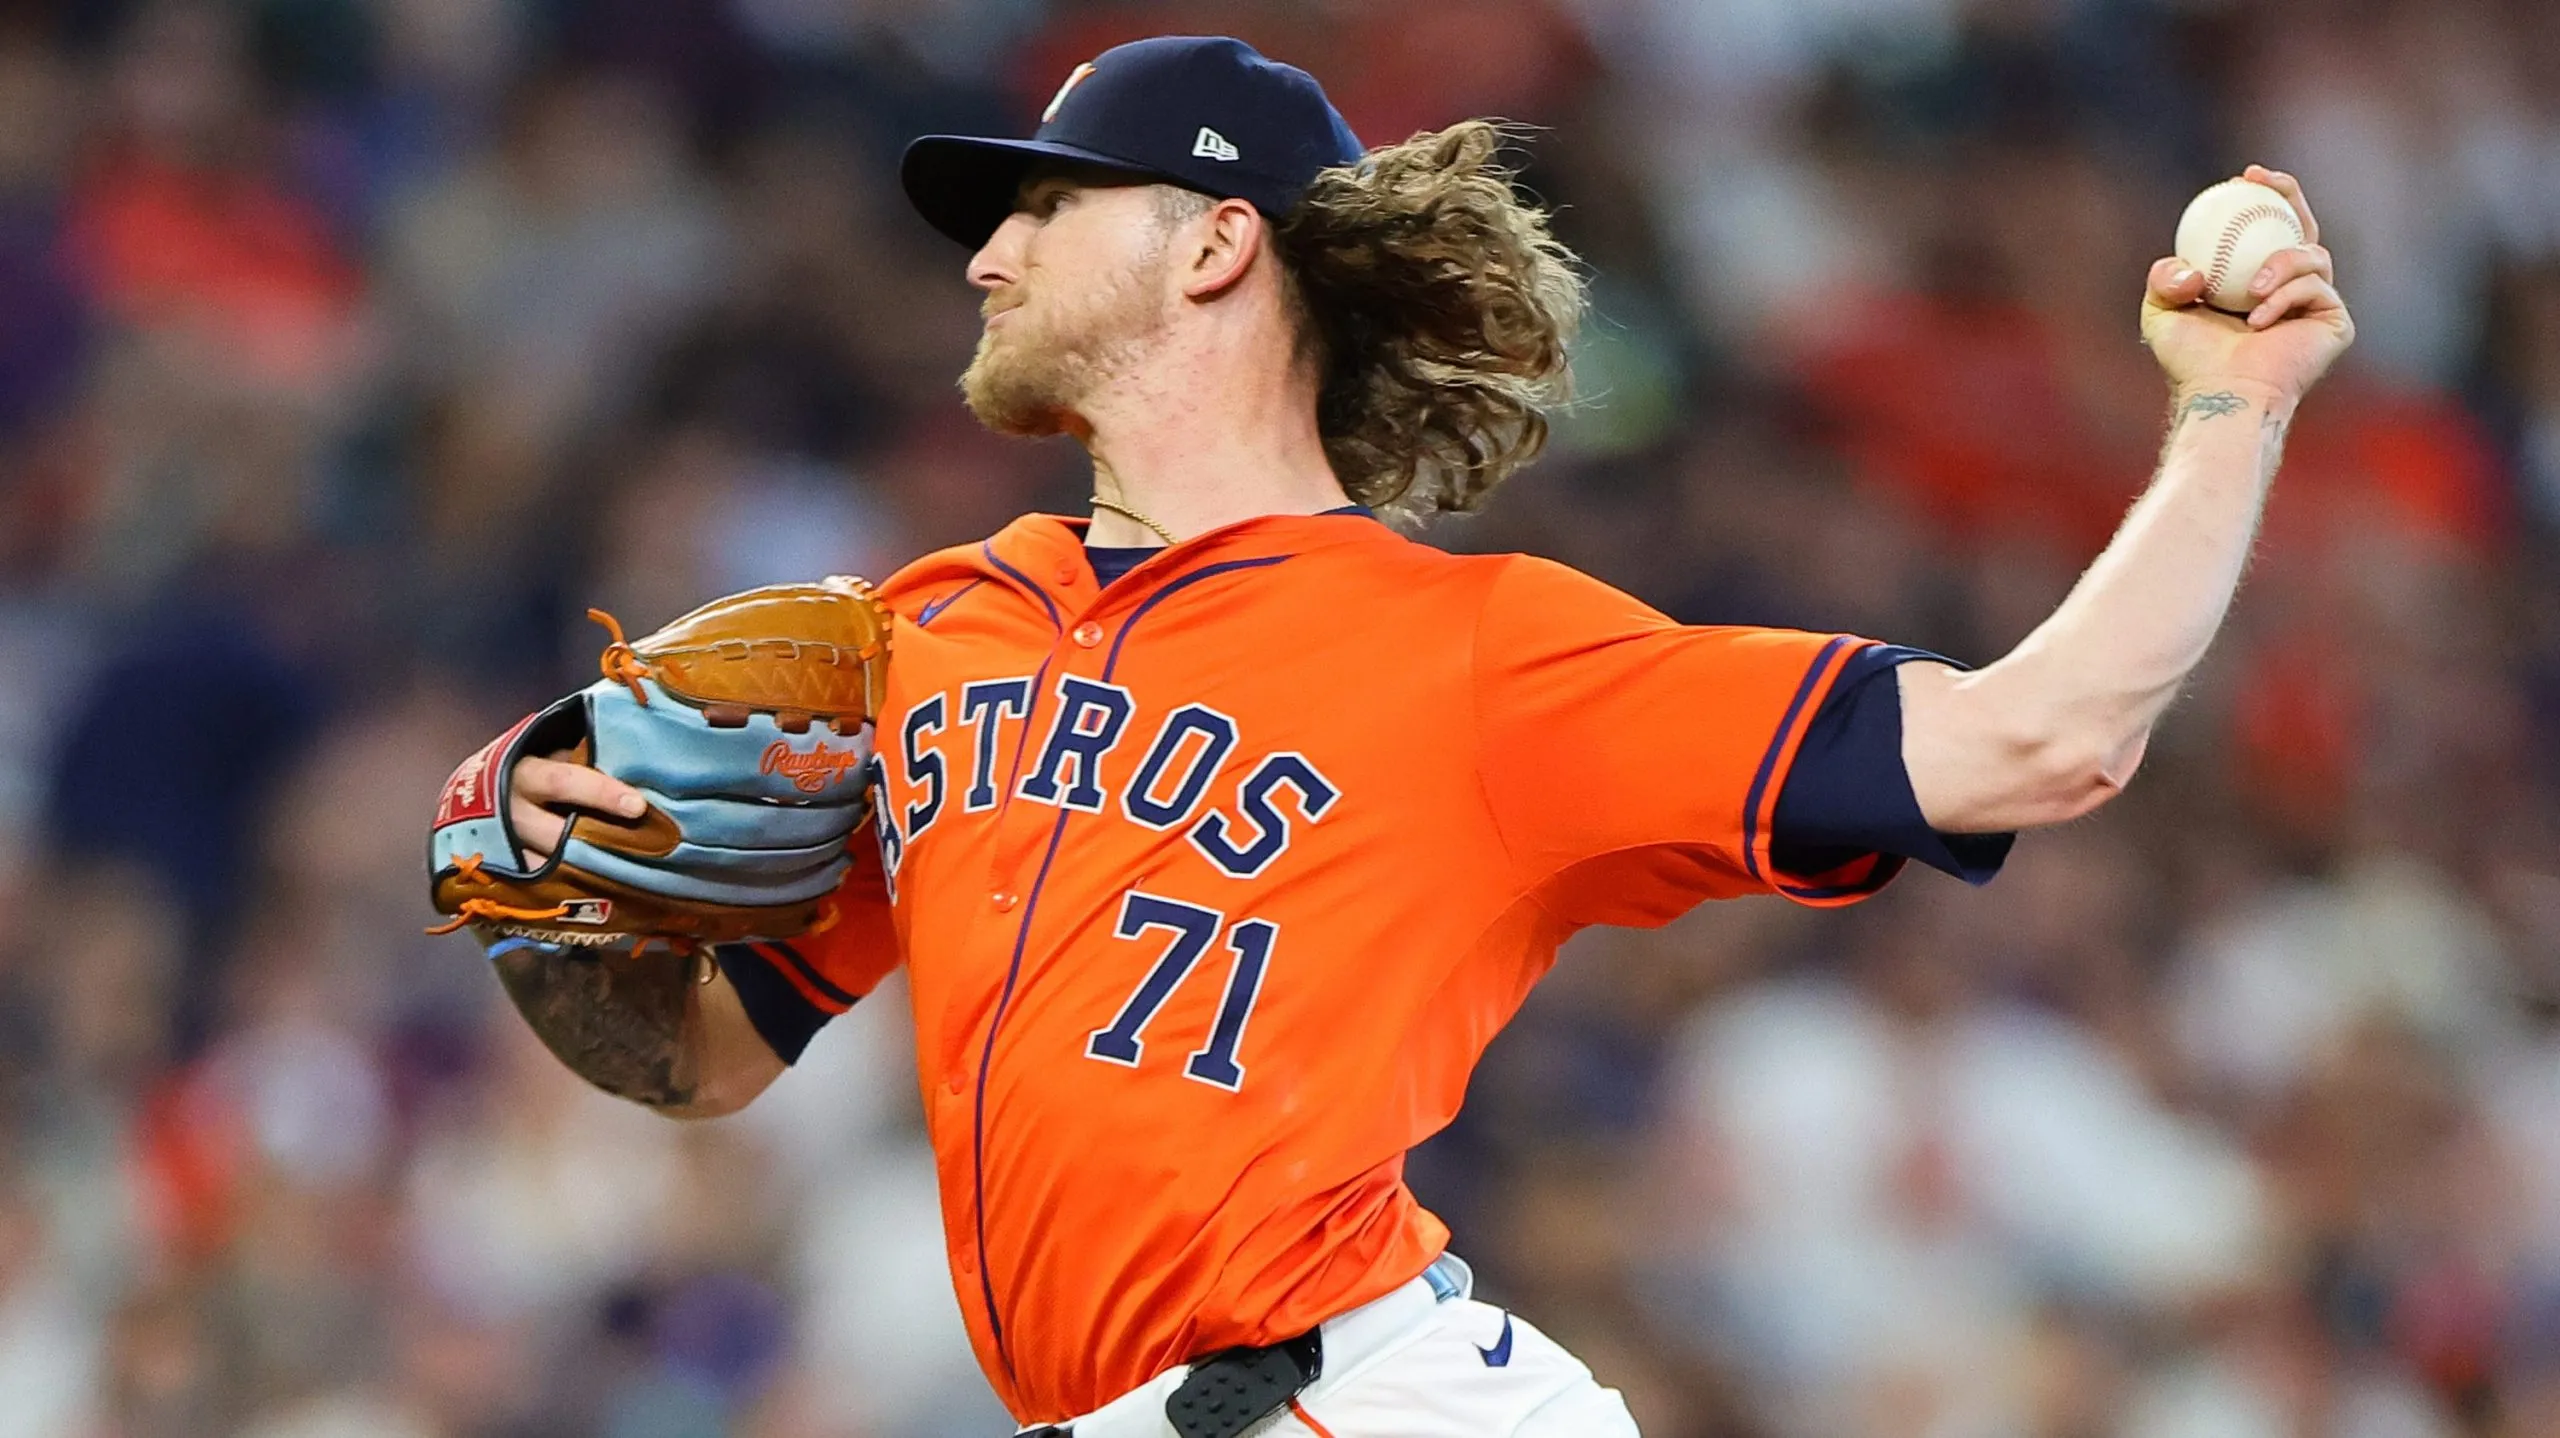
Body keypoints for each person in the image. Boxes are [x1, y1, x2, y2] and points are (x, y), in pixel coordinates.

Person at [471, 35, 2352, 1438]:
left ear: (1215, 244)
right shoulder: (926, 631)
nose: (989, 253)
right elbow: (706, 1055)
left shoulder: (1476, 659)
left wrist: (2237, 404)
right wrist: (547, 894)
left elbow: (2047, 737)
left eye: (1046, 204)